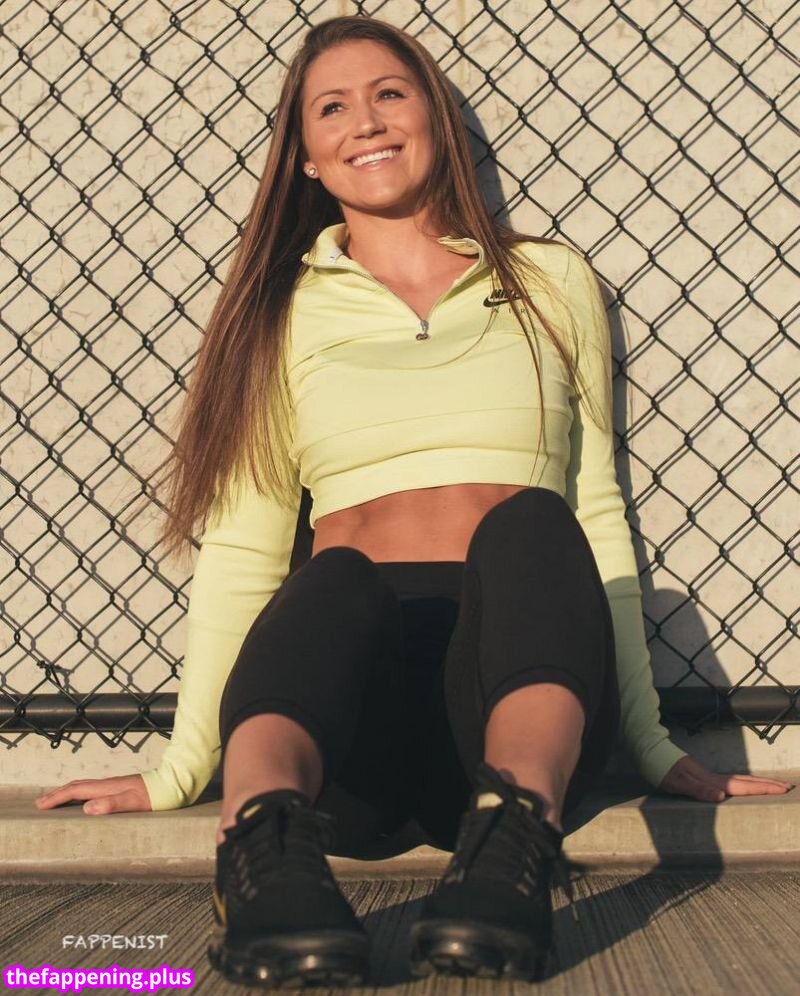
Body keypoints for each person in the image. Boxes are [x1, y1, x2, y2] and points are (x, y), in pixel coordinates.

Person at [33, 13, 793, 990]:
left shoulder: (548, 281)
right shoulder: (279, 308)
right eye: (332, 108)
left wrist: (647, 741)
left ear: (434, 116)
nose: (365, 121)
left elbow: (596, 512)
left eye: (389, 93)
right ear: (305, 157)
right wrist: (183, 765)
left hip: (515, 698)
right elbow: (243, 546)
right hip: (355, 722)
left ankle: (512, 848)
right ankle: (259, 851)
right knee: (331, 575)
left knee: (535, 519)